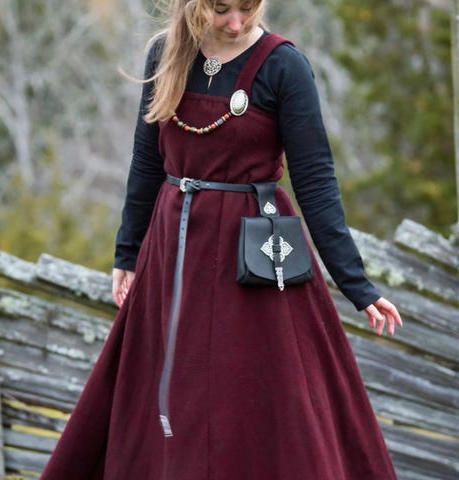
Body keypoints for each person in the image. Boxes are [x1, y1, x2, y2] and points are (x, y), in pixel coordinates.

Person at [41, 0, 403, 478]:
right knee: (172, 396)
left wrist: (357, 285)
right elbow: (147, 161)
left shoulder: (284, 66)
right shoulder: (166, 55)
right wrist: (127, 253)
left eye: (247, 7)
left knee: (252, 400)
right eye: (221, 9)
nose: (236, 23)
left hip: (254, 258)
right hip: (175, 252)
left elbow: (315, 180)